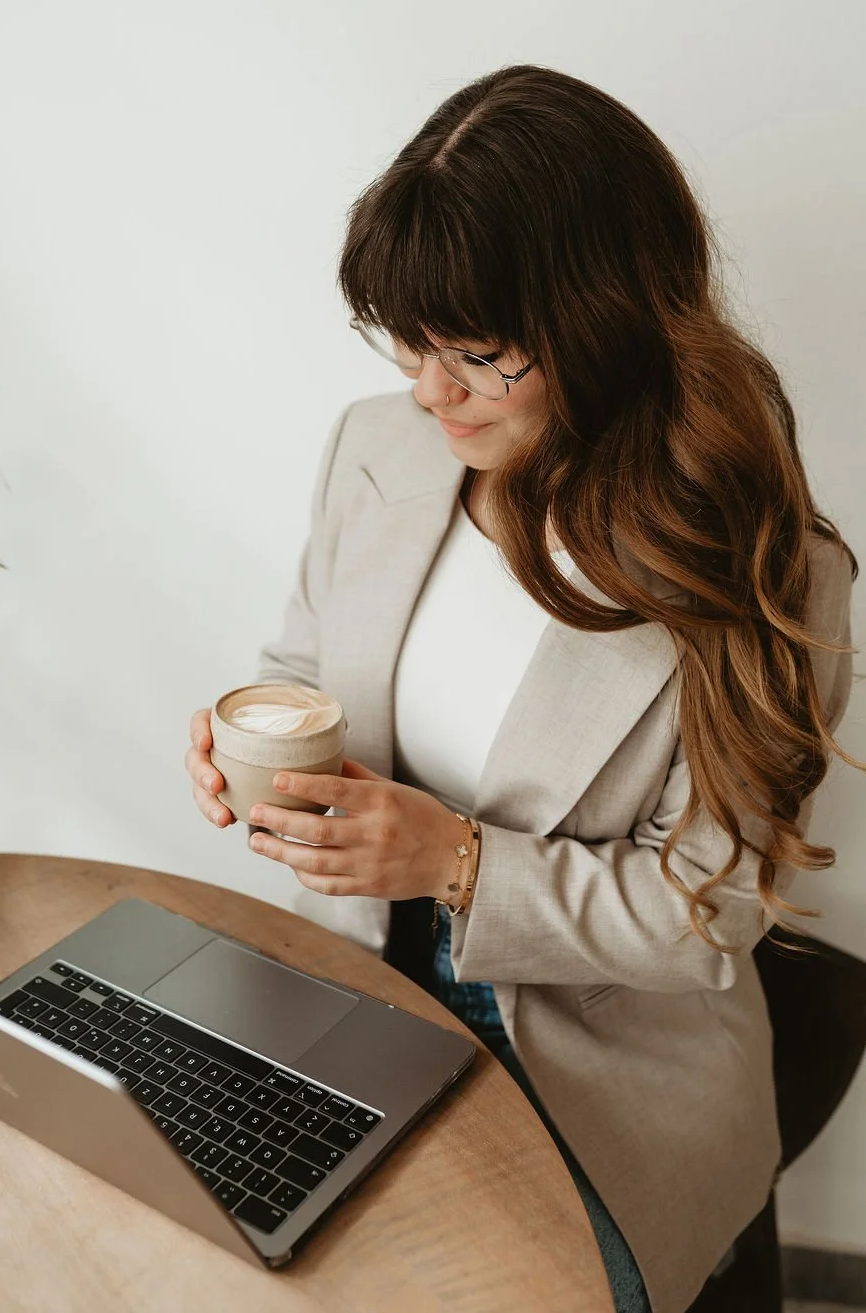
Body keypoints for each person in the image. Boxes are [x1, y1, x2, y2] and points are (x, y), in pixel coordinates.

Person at [185, 65, 859, 1313]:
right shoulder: (377, 446)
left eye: (475, 355)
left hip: (599, 1078)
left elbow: (708, 916)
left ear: (608, 325)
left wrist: (456, 865)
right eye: (401, 338)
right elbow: (301, 667)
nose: (425, 388)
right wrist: (246, 739)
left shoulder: (765, 570)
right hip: (355, 999)